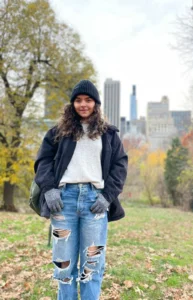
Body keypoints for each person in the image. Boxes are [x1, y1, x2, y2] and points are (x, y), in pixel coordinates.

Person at [34, 80, 128, 300]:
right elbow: (43, 161)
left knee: (92, 267)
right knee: (64, 267)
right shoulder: (59, 132)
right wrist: (49, 189)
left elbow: (120, 166)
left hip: (95, 203)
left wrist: (107, 196)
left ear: (96, 103)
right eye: (78, 100)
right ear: (72, 104)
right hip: (62, 201)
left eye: (88, 100)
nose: (83, 104)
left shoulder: (109, 134)